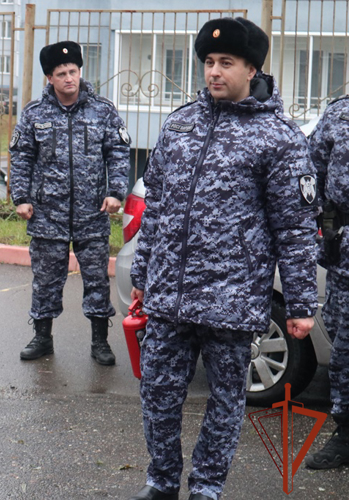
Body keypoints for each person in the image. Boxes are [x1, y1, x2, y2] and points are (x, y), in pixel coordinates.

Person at [128, 18, 319, 500]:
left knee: (227, 400)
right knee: (158, 395)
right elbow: (158, 208)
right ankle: (162, 481)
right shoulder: (180, 123)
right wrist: (142, 273)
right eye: (209, 62)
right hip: (170, 296)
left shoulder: (278, 138)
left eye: (226, 63)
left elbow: (294, 229)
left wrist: (299, 303)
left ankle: (207, 487)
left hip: (231, 302)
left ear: (251, 68)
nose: (214, 72)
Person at [8, 40, 130, 364]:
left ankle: (100, 342)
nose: (68, 79)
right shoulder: (34, 114)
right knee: (46, 280)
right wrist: (21, 198)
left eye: (73, 71)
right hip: (48, 214)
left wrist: (116, 192)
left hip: (93, 212)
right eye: (61, 73)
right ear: (49, 77)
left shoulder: (102, 110)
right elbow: (21, 158)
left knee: (96, 281)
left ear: (80, 71)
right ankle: (42, 337)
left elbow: (117, 153)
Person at [304, 95, 349, 469]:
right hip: (344, 252)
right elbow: (309, 172)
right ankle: (346, 434)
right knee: (343, 343)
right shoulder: (339, 113)